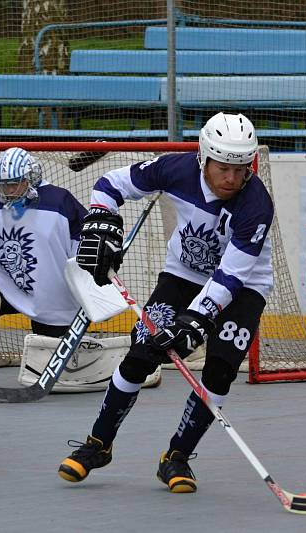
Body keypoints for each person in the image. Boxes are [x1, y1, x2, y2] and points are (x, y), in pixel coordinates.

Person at [57, 112, 273, 493]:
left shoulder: (255, 205)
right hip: (184, 275)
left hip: (243, 288)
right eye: (224, 168)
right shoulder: (175, 168)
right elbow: (109, 184)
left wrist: (195, 322)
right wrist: (101, 219)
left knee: (220, 370)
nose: (233, 179)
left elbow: (229, 277)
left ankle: (177, 456)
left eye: (242, 169)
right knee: (141, 353)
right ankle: (98, 444)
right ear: (204, 157)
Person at [0, 147, 88, 387]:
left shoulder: (60, 201)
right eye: (5, 185)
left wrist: (86, 287)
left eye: (15, 184)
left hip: (53, 295)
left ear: (32, 177)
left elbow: (83, 246)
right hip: (8, 286)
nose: (10, 191)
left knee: (55, 369)